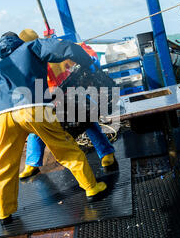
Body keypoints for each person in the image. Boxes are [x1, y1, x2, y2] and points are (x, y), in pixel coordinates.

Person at [0, 31, 107, 225]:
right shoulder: (31, 47)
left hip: (1, 114)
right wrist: (86, 61)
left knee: (4, 164)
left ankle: (3, 212)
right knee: (64, 147)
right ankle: (92, 188)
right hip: (32, 107)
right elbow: (64, 48)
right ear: (18, 41)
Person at [17, 29, 117, 180]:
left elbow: (80, 50)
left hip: (71, 93)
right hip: (49, 101)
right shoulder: (27, 61)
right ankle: (32, 164)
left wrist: (91, 61)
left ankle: (106, 153)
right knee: (36, 130)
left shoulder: (53, 48)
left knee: (87, 120)